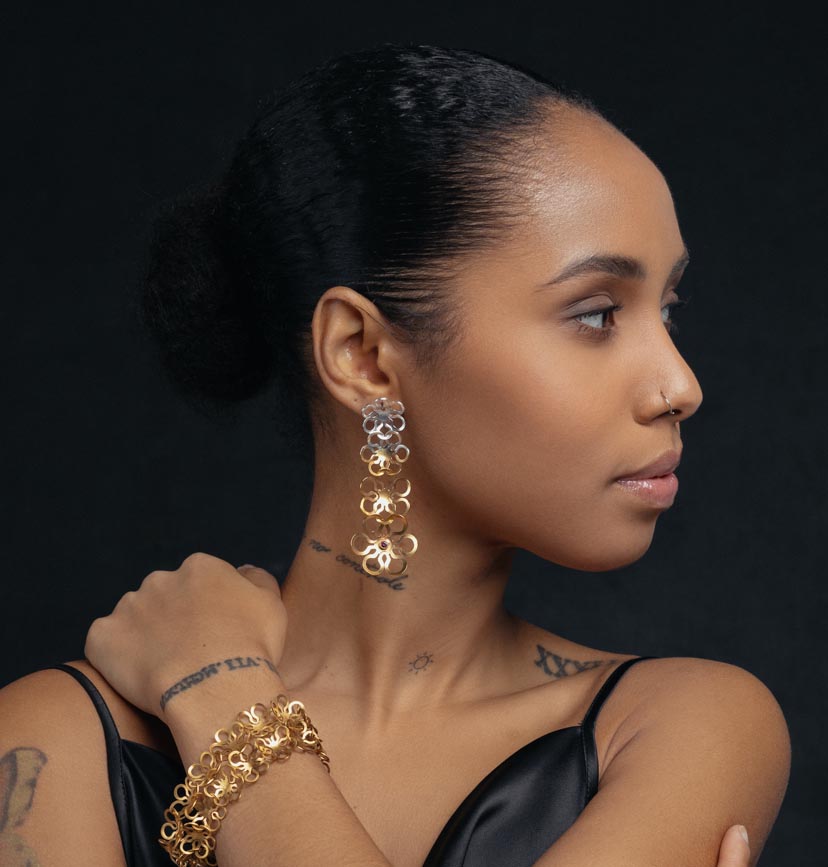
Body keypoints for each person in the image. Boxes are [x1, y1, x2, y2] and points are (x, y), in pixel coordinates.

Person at [0, 43, 788, 867]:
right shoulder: (53, 743)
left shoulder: (686, 724)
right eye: (596, 313)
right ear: (364, 356)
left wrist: (220, 684)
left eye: (669, 308)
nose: (680, 385)